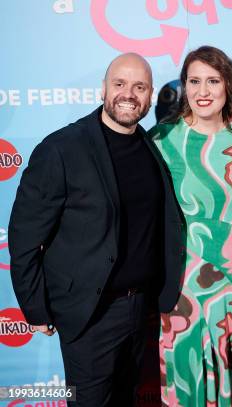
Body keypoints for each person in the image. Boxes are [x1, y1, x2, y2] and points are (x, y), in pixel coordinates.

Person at [9, 53, 184, 406]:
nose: (128, 94)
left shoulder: (152, 148)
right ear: (104, 89)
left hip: (140, 311)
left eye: (139, 87)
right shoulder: (61, 148)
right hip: (89, 313)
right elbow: (24, 236)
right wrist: (35, 307)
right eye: (119, 84)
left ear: (150, 96)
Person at [149, 45, 232, 407]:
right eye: (194, 81)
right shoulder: (163, 141)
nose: (202, 91)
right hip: (184, 284)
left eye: (212, 81)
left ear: (227, 86)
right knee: (187, 375)